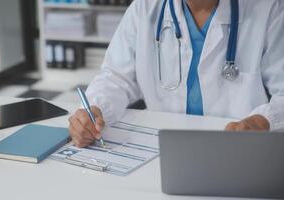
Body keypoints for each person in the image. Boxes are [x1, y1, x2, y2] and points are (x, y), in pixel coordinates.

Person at [69, 0, 284, 148]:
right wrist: (94, 110)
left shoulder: (268, 8)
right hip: (163, 148)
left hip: (238, 149)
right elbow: (116, 77)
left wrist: (262, 121)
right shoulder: (145, 8)